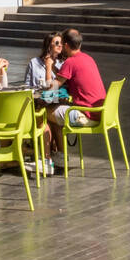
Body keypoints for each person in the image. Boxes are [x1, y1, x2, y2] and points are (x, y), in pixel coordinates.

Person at [45, 30, 107, 166]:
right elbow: (67, 76)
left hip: (86, 115)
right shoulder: (88, 58)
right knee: (56, 111)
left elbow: (52, 90)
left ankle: (51, 157)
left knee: (46, 112)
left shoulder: (70, 62)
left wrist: (49, 67)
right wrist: (55, 68)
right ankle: (59, 154)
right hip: (101, 112)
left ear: (66, 45)